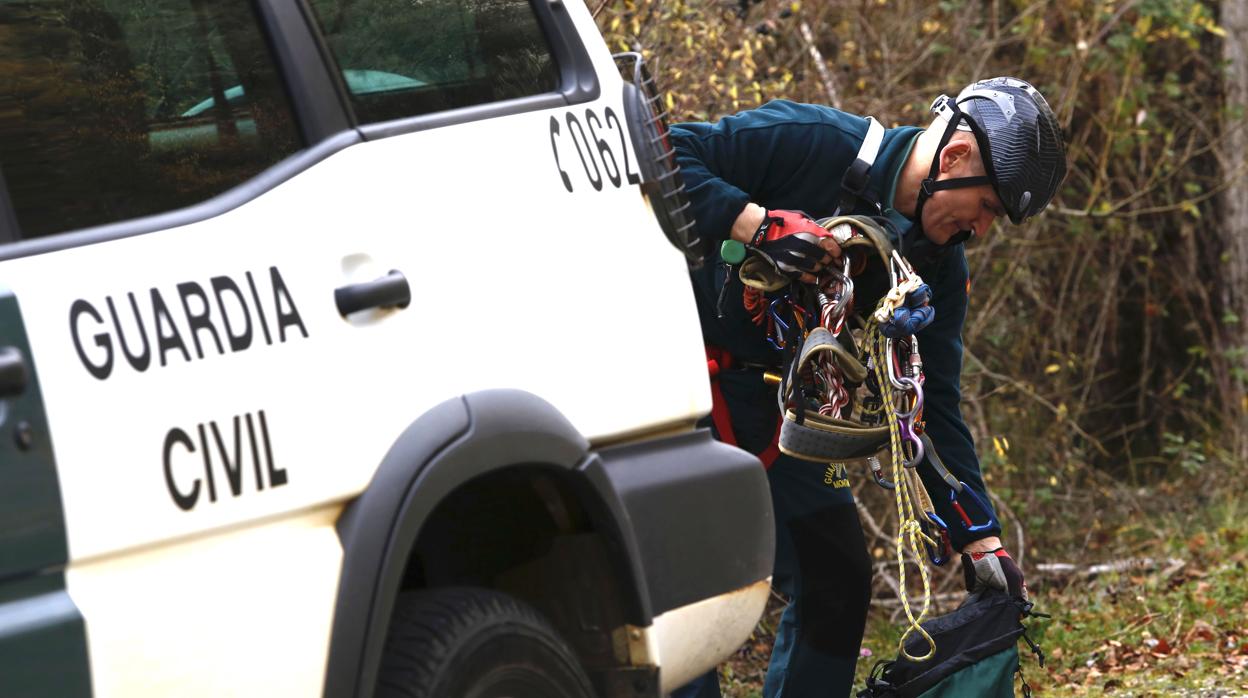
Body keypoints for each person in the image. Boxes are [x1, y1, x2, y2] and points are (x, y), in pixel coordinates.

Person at [669, 77, 1067, 698]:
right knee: (691, 593)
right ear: (955, 158)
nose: (982, 230)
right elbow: (664, 150)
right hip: (681, 387)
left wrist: (978, 536)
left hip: (780, 417)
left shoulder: (935, 264)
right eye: (987, 206)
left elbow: (933, 405)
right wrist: (757, 224)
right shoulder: (818, 141)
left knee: (837, 578)